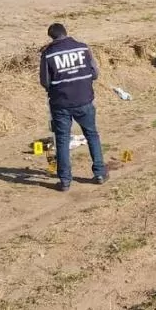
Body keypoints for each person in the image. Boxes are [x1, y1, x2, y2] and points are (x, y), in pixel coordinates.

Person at [39, 23, 108, 191]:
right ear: (65, 32)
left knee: (62, 140)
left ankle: (65, 181)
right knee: (92, 134)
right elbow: (95, 73)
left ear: (51, 37)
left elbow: (45, 82)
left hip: (60, 104)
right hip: (84, 100)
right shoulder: (83, 48)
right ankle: (99, 173)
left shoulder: (48, 54)